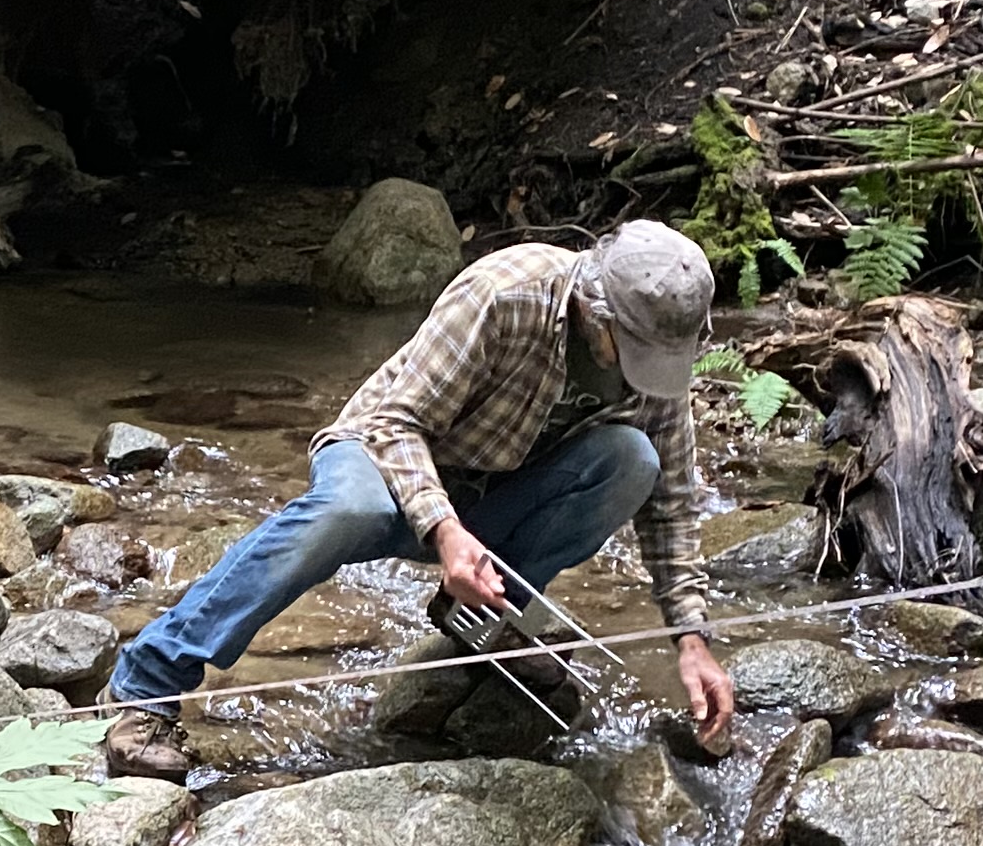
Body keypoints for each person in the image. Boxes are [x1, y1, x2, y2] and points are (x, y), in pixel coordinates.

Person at [104, 219, 737, 775]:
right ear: (596, 310)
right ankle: (148, 680)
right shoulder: (506, 292)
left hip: (495, 490)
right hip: (379, 453)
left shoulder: (657, 354)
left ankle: (488, 626)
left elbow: (673, 501)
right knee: (348, 512)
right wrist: (445, 530)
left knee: (634, 461)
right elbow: (395, 423)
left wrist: (692, 639)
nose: (648, 371)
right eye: (637, 352)